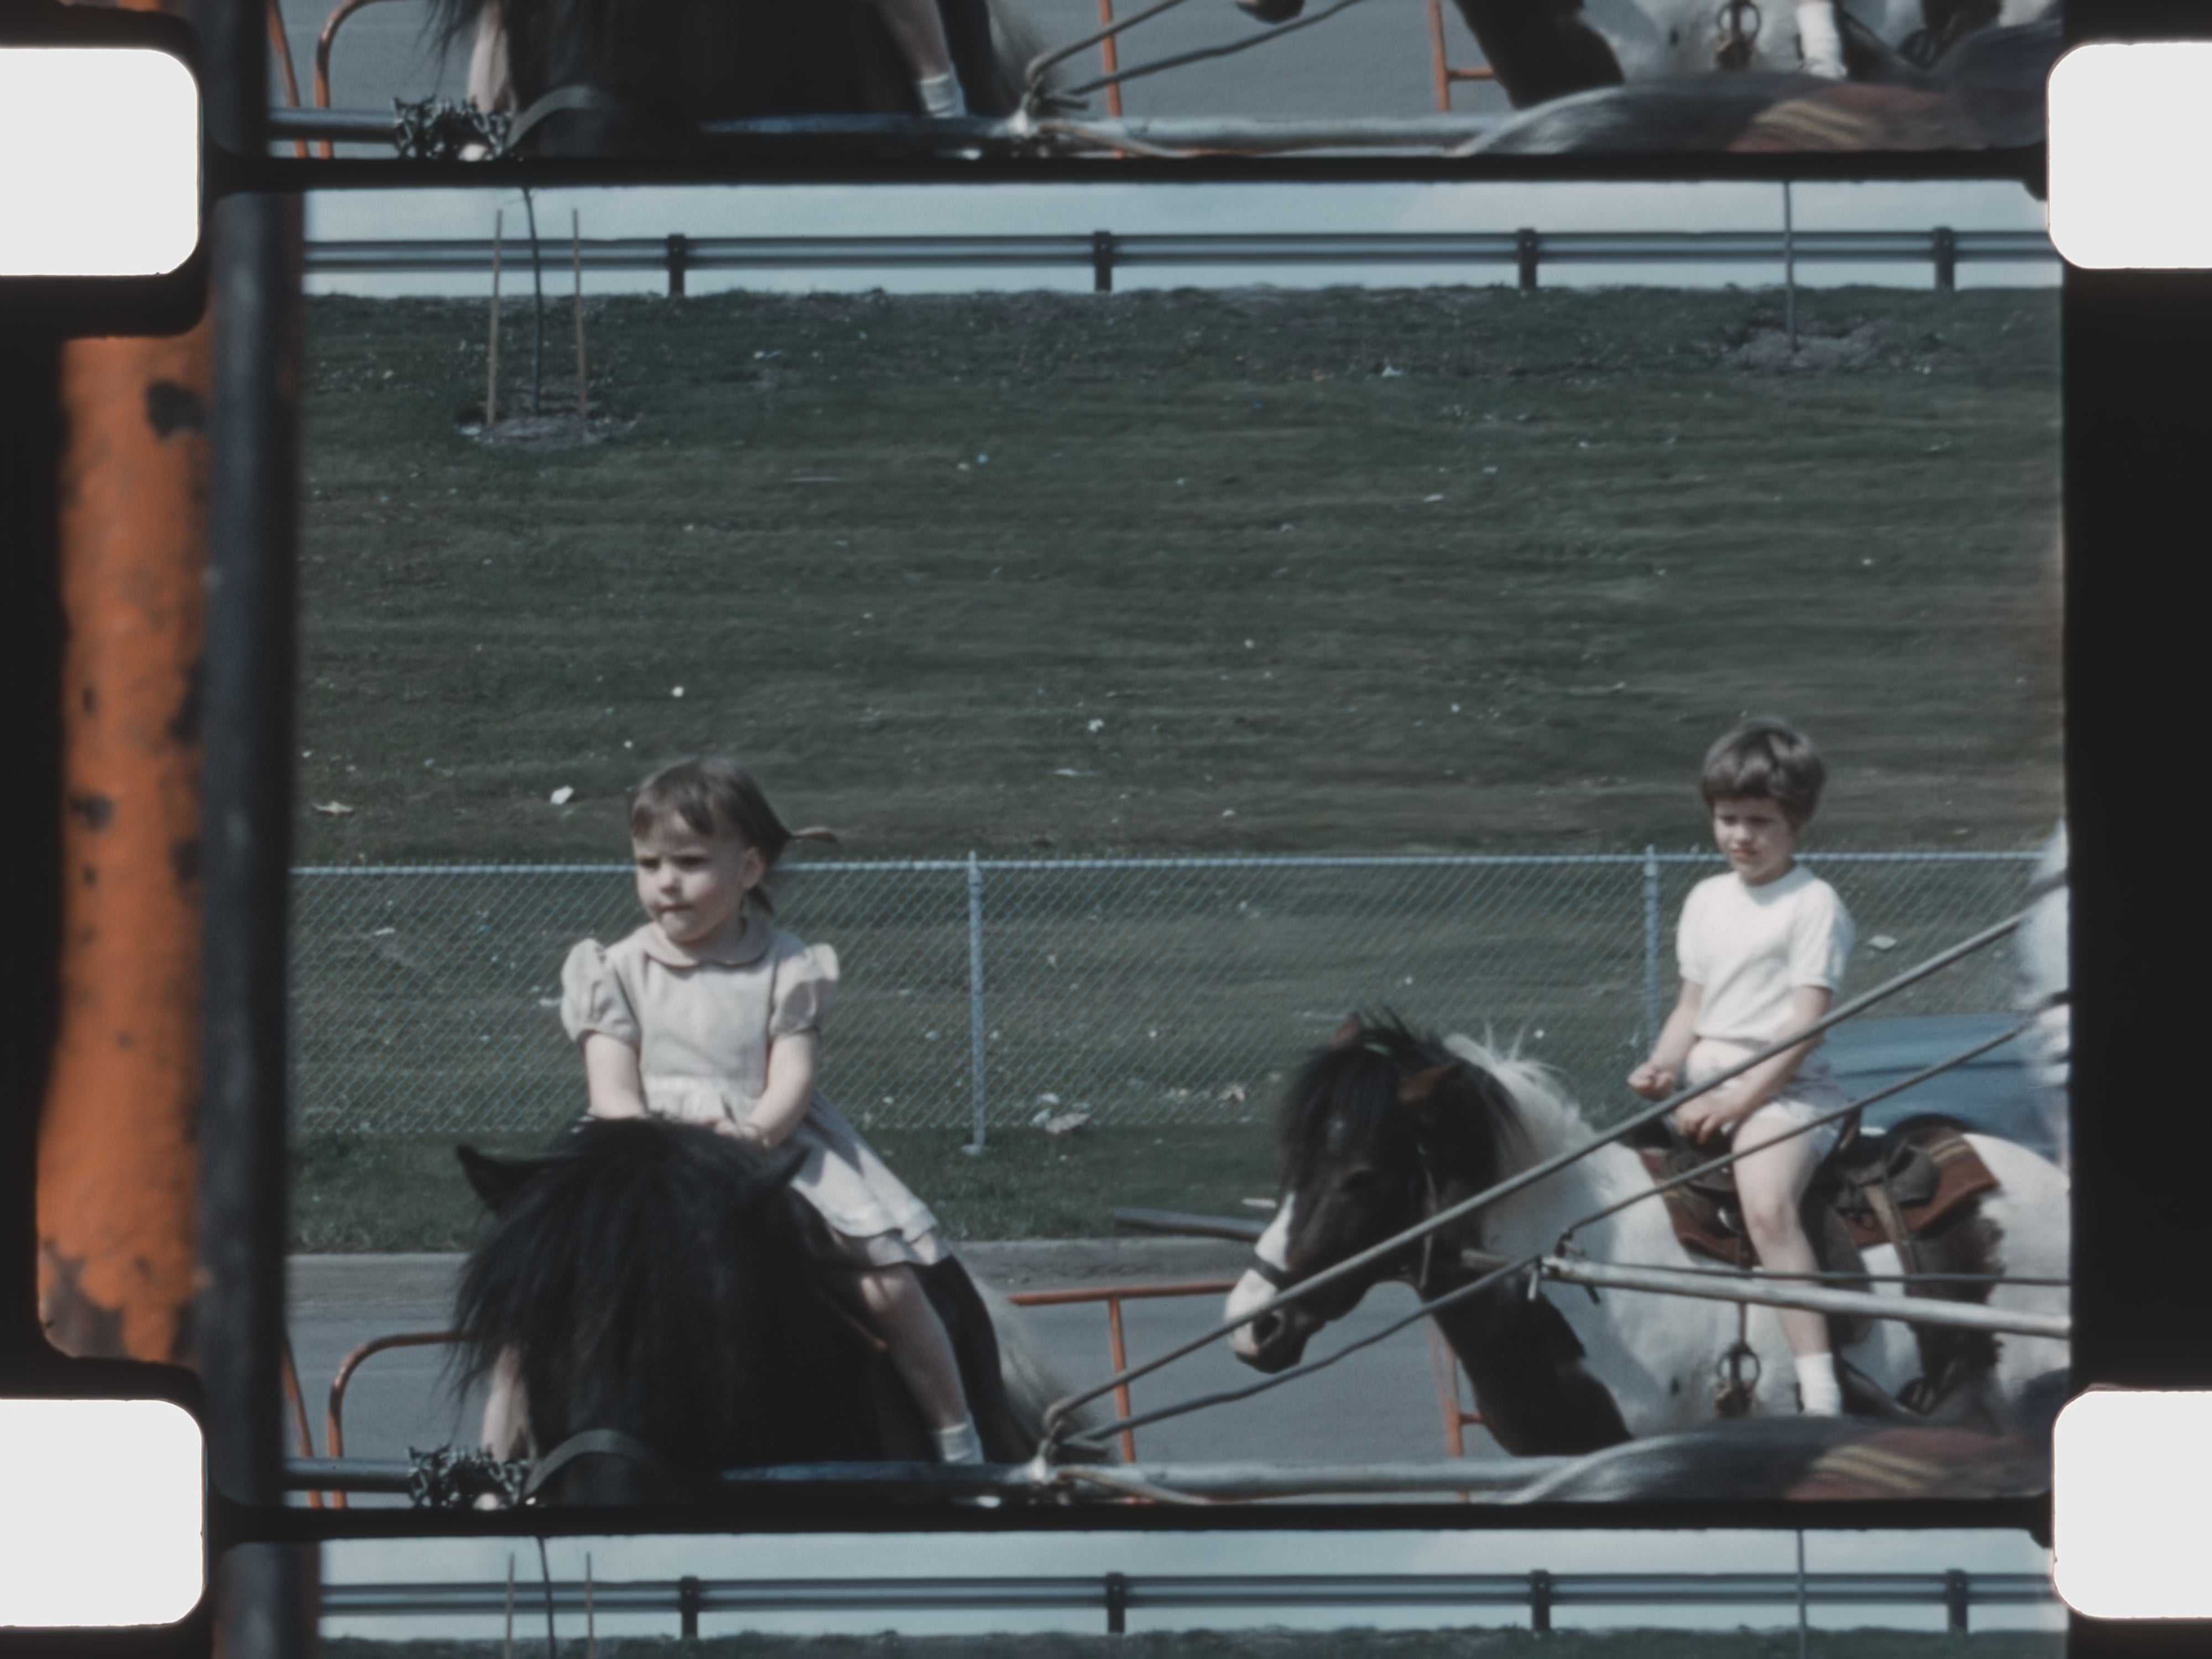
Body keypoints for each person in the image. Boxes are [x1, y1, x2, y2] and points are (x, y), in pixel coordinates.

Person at [484, 756, 984, 1466]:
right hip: (642, 1161)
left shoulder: (786, 965)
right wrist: (671, 1151)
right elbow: (613, 1096)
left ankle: (957, 1437)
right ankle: (495, 1463)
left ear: (749, 867)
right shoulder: (612, 968)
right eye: (648, 863)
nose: (666, 881)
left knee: (888, 1283)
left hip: (765, 1150)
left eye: (689, 862)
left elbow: (792, 1080)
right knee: (537, 1303)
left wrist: (750, 1135)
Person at [1627, 717, 1856, 1417]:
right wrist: (1662, 1065)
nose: (1740, 837)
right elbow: (1692, 1007)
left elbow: (1805, 1026)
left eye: (1759, 822)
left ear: (1797, 821)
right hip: (1703, 1090)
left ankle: (1820, 1387)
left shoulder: (1813, 904)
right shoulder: (1705, 899)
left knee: (1766, 1205)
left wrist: (1736, 1105)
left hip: (1784, 1094)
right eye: (1727, 818)